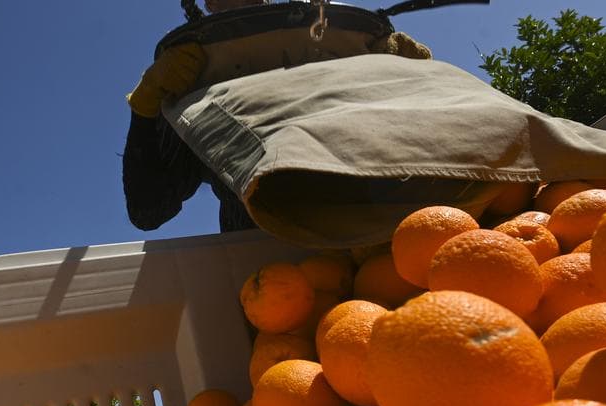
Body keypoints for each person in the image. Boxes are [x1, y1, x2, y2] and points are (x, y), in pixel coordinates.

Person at [121, 0, 432, 234]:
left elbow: (424, 149)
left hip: (376, 229)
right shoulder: (195, 78)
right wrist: (145, 109)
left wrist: (411, 78)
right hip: (258, 260)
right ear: (206, 3)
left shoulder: (333, 46)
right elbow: (148, 209)